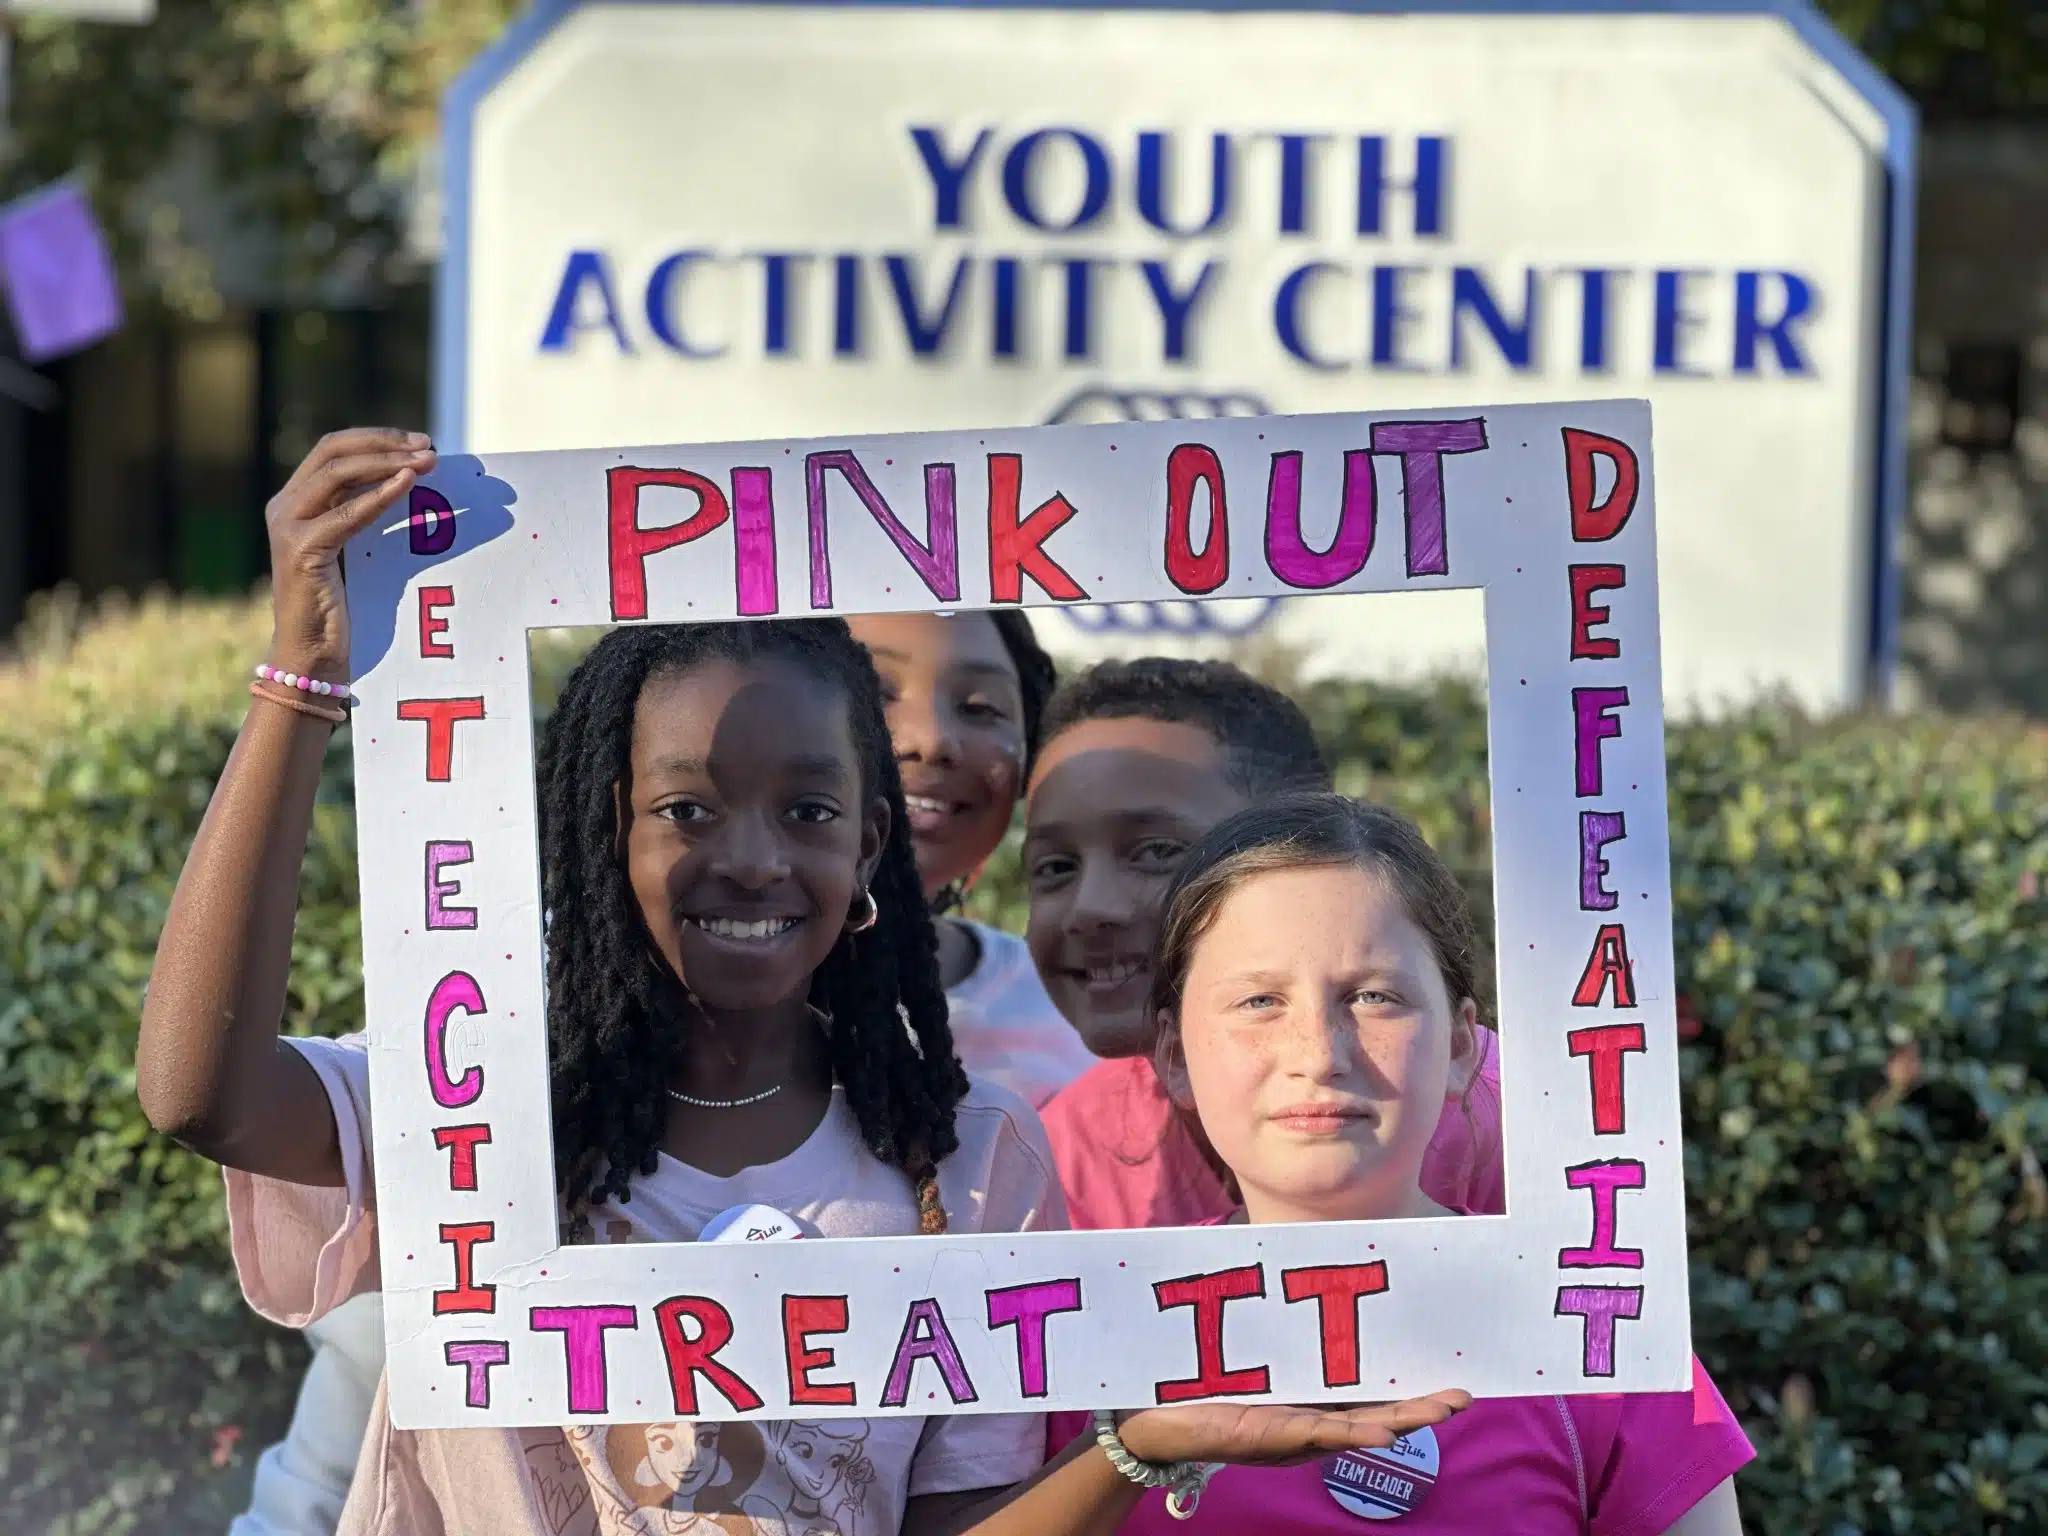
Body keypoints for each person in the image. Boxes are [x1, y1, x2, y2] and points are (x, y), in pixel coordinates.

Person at [151, 431, 1460, 1536]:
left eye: (809, 811)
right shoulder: (479, 1101)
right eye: (686, 808)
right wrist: (300, 682)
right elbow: (201, 1094)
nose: (752, 858)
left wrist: (1143, 1441)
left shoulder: (971, 1160)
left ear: (870, 845)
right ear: (607, 832)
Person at [1046, 794, 1751, 1534]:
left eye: (1374, 996)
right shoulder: (1093, 1339)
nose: (1319, 1055)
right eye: (1259, 1001)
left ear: (1461, 1044)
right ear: (1173, 1055)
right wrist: (1123, 1453)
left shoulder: (1598, 1333)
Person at [1024, 659, 1504, 1229]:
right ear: (1176, 1055)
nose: (1092, 907)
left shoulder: (1522, 1117)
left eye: (1156, 851)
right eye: (1055, 866)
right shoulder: (1063, 1152)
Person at [847, 612, 1095, 1107]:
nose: (932, 740)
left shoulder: (1079, 1017)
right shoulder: (691, 1003)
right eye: (872, 691)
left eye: (980, 707)